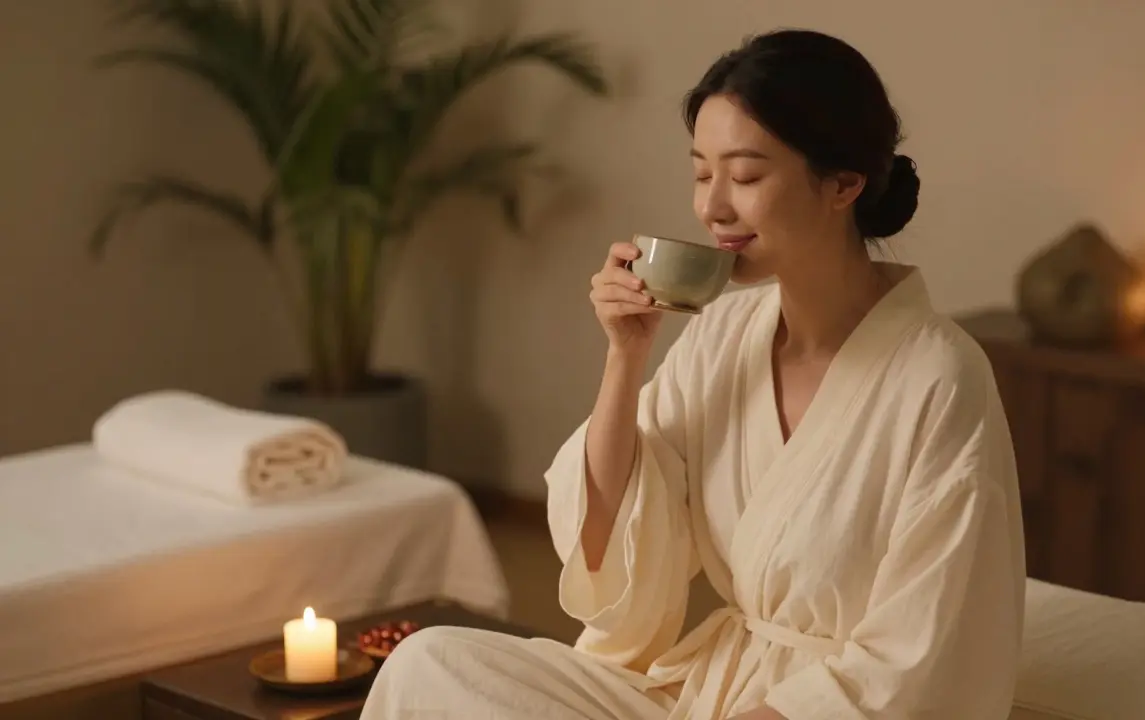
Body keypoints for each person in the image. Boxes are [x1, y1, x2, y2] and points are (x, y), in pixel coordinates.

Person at [360, 28, 1026, 720]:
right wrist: (625, 357)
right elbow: (613, 542)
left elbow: (922, 654)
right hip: (712, 695)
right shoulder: (722, 335)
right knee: (431, 662)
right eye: (702, 174)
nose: (712, 208)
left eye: (746, 176)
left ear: (843, 184)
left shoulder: (939, 377)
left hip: (829, 712)